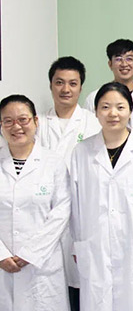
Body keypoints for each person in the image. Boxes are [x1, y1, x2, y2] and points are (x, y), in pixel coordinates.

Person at [70, 82, 133, 311]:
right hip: (94, 246)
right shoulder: (81, 152)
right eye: (105, 107)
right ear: (95, 112)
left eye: (120, 107)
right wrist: (77, 245)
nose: (113, 113)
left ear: (130, 111)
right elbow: (75, 206)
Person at [37, 56, 100, 310]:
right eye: (59, 82)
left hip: (81, 213)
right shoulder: (38, 123)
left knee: (81, 286)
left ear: (81, 87)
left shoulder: (94, 122)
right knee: (50, 287)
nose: (66, 89)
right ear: (50, 85)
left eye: (72, 83)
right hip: (46, 213)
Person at [0, 95, 71, 310]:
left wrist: (30, 253)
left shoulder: (53, 163)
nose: (16, 127)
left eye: (23, 119)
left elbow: (61, 213)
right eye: (8, 121)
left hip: (42, 265)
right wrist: (1, 255)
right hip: (3, 266)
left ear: (36, 121)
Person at [84, 39, 133, 112]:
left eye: (129, 59)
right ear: (110, 64)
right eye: (118, 59)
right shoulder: (93, 98)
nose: (124, 64)